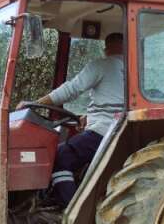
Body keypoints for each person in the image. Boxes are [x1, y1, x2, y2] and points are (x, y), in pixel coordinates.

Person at [37, 32, 125, 207]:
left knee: (59, 157)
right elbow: (119, 101)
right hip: (119, 131)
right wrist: (88, 116)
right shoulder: (136, 70)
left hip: (104, 132)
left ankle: (72, 211)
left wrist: (34, 104)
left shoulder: (102, 65)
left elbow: (71, 90)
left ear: (106, 48)